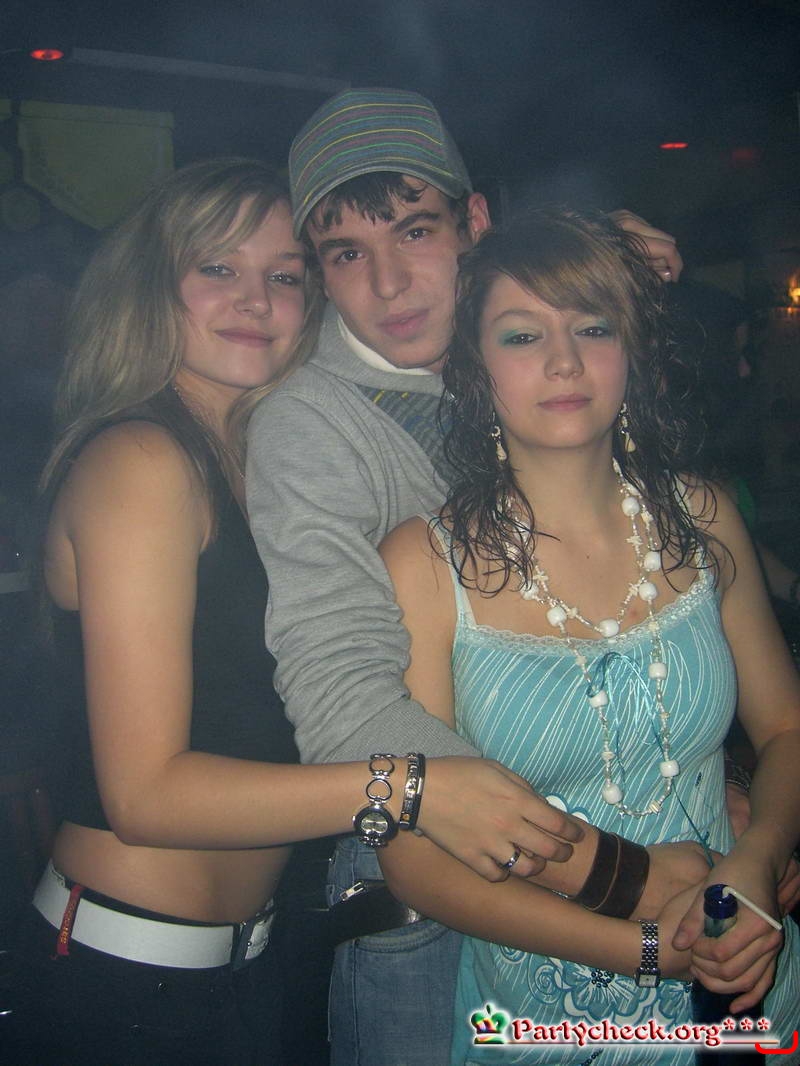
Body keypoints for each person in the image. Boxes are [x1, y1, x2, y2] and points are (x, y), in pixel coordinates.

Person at [7, 157, 550, 1066]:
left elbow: (400, 310)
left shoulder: (264, 453)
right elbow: (145, 796)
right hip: (122, 979)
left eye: (287, 277)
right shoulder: (142, 460)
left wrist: (582, 257)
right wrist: (417, 786)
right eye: (218, 268)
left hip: (253, 963)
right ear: (153, 284)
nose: (256, 301)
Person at [246, 87, 698, 1066]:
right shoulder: (309, 426)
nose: (391, 283)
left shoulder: (527, 350)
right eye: (347, 254)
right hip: (423, 887)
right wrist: (604, 865)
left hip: (608, 818)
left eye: (416, 231)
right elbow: (336, 696)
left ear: (474, 222)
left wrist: (701, 787)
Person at [378, 208, 800, 1063]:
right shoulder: (422, 564)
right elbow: (414, 859)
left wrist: (757, 859)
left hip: (749, 988)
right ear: (476, 367)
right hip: (547, 1025)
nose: (564, 361)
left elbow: (787, 727)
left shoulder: (702, 516)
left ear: (632, 351)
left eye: (593, 327)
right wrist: (644, 950)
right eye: (522, 335)